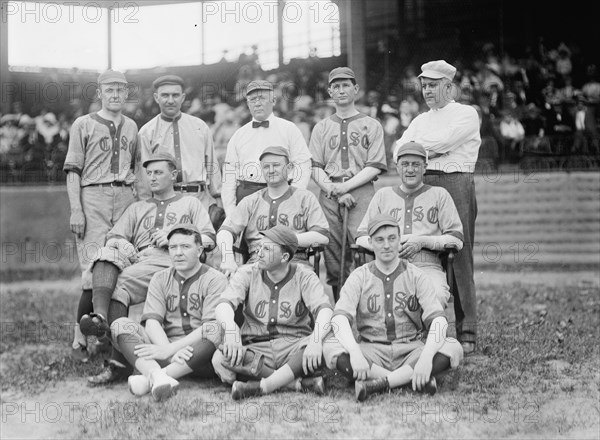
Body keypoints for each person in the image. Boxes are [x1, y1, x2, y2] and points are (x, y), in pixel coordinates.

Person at [79, 152, 216, 386]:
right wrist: (126, 247)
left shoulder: (190, 203)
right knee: (107, 259)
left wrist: (173, 237)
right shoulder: (137, 207)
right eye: (149, 173)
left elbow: (209, 239)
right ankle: (100, 320)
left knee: (116, 284)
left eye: (158, 172)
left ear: (173, 175)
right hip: (142, 261)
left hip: (175, 259)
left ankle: (119, 363)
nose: (152, 178)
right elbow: (114, 236)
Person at [323, 215, 463, 401]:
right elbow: (339, 319)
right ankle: (412, 379)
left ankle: (378, 383)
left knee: (453, 347)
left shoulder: (416, 275)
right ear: (371, 243)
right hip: (371, 349)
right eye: (380, 240)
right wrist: (356, 354)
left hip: (410, 349)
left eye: (392, 238)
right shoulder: (360, 276)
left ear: (399, 241)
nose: (386, 245)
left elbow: (437, 320)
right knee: (330, 346)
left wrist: (426, 358)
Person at [393, 60, 481, 354]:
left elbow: (443, 143)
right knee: (428, 253)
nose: (427, 91)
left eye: (433, 85)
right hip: (425, 184)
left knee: (458, 252)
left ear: (449, 86)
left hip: (456, 182)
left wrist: (417, 148)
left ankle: (466, 330)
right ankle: (430, 327)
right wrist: (419, 149)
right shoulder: (420, 119)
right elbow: (398, 149)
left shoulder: (467, 114)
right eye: (425, 85)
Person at [63, 70, 139, 361]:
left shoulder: (132, 126)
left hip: (125, 195)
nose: (116, 94)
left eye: (121, 89)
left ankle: (111, 336)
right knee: (91, 267)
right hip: (92, 193)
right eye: (110, 90)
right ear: (100, 93)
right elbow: (73, 171)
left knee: (121, 263)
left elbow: (137, 168)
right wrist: (76, 209)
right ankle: (80, 337)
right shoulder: (83, 124)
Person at [212, 225, 333, 400]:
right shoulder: (247, 272)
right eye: (259, 247)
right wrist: (231, 329)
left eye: (267, 249)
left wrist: (315, 341)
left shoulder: (304, 275)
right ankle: (294, 383)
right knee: (220, 358)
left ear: (285, 257)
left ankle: (264, 386)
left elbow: (324, 310)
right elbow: (224, 305)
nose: (259, 253)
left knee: (326, 343)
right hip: (256, 349)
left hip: (294, 346)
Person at [111, 224, 227, 401]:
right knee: (120, 324)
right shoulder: (160, 277)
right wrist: (168, 351)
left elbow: (209, 327)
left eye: (185, 247)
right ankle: (157, 376)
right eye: (173, 247)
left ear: (199, 250)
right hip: (165, 349)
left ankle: (151, 378)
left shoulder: (215, 279)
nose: (178, 253)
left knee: (215, 328)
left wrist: (169, 350)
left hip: (199, 355)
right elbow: (152, 322)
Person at [355, 142, 463, 324]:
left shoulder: (439, 194)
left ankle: (427, 341)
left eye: (416, 164)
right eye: (405, 164)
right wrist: (387, 246)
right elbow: (361, 237)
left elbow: (457, 239)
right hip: (387, 265)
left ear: (425, 168)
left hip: (427, 265)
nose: (410, 169)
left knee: (435, 294)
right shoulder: (383, 195)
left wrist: (421, 241)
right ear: (397, 167)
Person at [308, 67, 387, 300]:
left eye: (345, 85)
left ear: (356, 89)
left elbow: (375, 165)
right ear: (330, 92)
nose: (341, 90)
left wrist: (346, 187)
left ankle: (372, 304)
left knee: (366, 247)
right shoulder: (321, 127)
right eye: (336, 86)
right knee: (333, 254)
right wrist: (334, 188)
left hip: (362, 192)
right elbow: (314, 167)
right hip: (329, 192)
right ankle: (341, 310)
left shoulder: (371, 124)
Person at [217, 146, 329, 277]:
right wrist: (227, 258)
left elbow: (322, 236)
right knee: (232, 289)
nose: (271, 170)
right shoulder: (251, 201)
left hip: (294, 262)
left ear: (289, 168)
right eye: (266, 167)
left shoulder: (305, 198)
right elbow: (225, 231)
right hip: (256, 263)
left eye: (276, 165)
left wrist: (282, 241)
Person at [137, 75, 223, 229]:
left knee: (202, 246)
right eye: (165, 95)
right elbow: (144, 176)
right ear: (156, 98)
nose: (170, 100)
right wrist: (147, 206)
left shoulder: (200, 126)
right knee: (169, 247)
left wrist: (218, 200)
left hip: (200, 198)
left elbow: (212, 165)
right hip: (166, 199)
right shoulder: (147, 132)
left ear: (183, 97)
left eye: (175, 95)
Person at [221, 80, 312, 218]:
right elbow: (229, 176)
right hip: (246, 196)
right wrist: (231, 211)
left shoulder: (289, 129)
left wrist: (294, 197)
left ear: (273, 100)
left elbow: (303, 164)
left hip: (282, 194)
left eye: (262, 98)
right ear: (247, 104)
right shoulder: (238, 135)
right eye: (252, 99)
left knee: (281, 238)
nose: (257, 103)